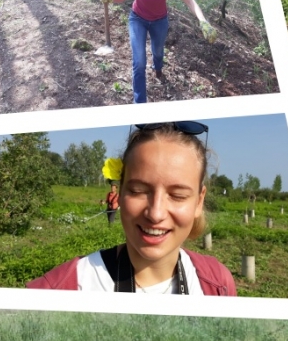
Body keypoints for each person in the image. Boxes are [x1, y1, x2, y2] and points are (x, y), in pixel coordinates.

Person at [28, 122, 237, 295]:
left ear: (199, 202)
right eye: (138, 190)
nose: (155, 213)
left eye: (177, 195)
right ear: (121, 190)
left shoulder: (218, 283)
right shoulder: (59, 288)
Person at [101, 0, 215, 104]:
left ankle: (158, 67)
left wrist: (203, 21)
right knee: (139, 62)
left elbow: (189, 0)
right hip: (137, 19)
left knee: (158, 51)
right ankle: (140, 104)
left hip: (160, 20)